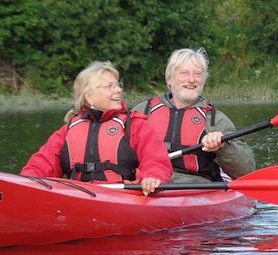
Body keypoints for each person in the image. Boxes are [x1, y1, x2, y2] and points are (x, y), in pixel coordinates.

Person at [21, 61, 172, 195]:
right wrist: (25, 182)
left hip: (124, 197)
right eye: (109, 86)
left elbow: (156, 162)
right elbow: (40, 164)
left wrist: (152, 178)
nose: (118, 90)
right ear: (89, 97)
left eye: (118, 84)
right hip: (79, 197)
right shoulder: (68, 130)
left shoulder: (136, 126)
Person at [133, 48, 256, 183]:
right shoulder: (143, 111)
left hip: (195, 186)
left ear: (203, 80)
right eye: (184, 73)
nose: (191, 79)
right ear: (169, 79)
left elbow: (247, 171)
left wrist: (223, 147)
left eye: (197, 74)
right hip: (146, 182)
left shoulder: (215, 120)